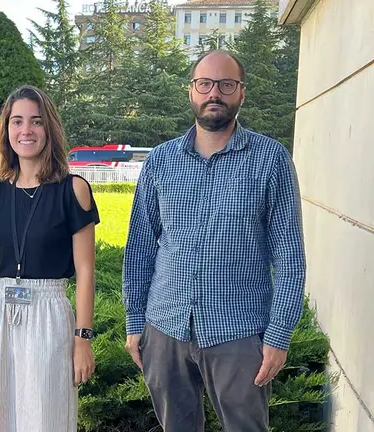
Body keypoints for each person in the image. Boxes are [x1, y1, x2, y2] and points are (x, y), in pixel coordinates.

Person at [122, 49, 306, 432]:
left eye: (226, 84)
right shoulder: (160, 161)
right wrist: (135, 320)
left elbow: (290, 258)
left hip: (238, 332)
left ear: (242, 92)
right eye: (204, 84)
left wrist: (278, 335)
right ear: (191, 90)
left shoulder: (270, 160)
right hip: (165, 327)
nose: (214, 93)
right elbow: (140, 248)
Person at [0, 85, 99, 432]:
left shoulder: (73, 190)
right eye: (17, 121)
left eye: (36, 121)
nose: (26, 130)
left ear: (49, 128)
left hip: (48, 313)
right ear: (6, 130)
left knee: (45, 418)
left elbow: (86, 270)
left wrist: (82, 339)